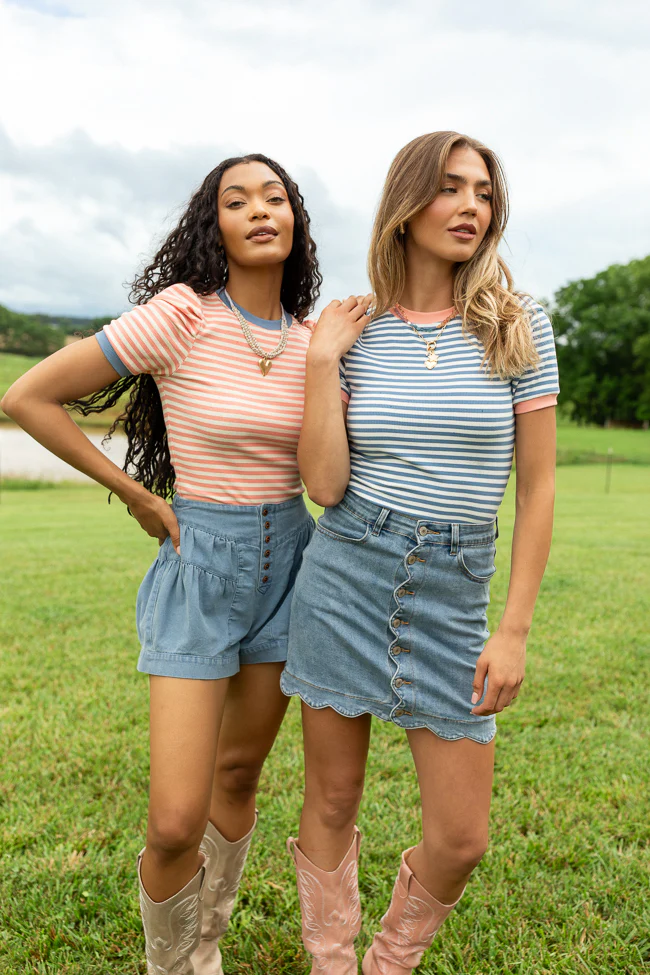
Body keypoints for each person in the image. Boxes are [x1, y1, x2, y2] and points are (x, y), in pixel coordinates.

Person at [1, 153, 370, 974]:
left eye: (275, 197)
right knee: (173, 819)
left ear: (297, 221)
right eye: (237, 201)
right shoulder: (181, 315)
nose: (260, 210)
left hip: (291, 568)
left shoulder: (317, 343)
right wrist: (134, 493)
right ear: (216, 226)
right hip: (198, 564)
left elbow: (329, 477)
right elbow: (26, 397)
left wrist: (328, 363)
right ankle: (168, 963)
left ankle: (203, 946)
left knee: (237, 774)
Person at [281, 131, 560, 974]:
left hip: (455, 588)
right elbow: (323, 483)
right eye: (451, 187)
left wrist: (513, 630)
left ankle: (388, 959)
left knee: (462, 836)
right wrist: (321, 361)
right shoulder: (352, 331)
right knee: (333, 796)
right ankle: (333, 959)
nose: (472, 205)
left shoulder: (517, 326)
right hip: (346, 570)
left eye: (484, 192)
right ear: (405, 207)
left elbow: (538, 488)